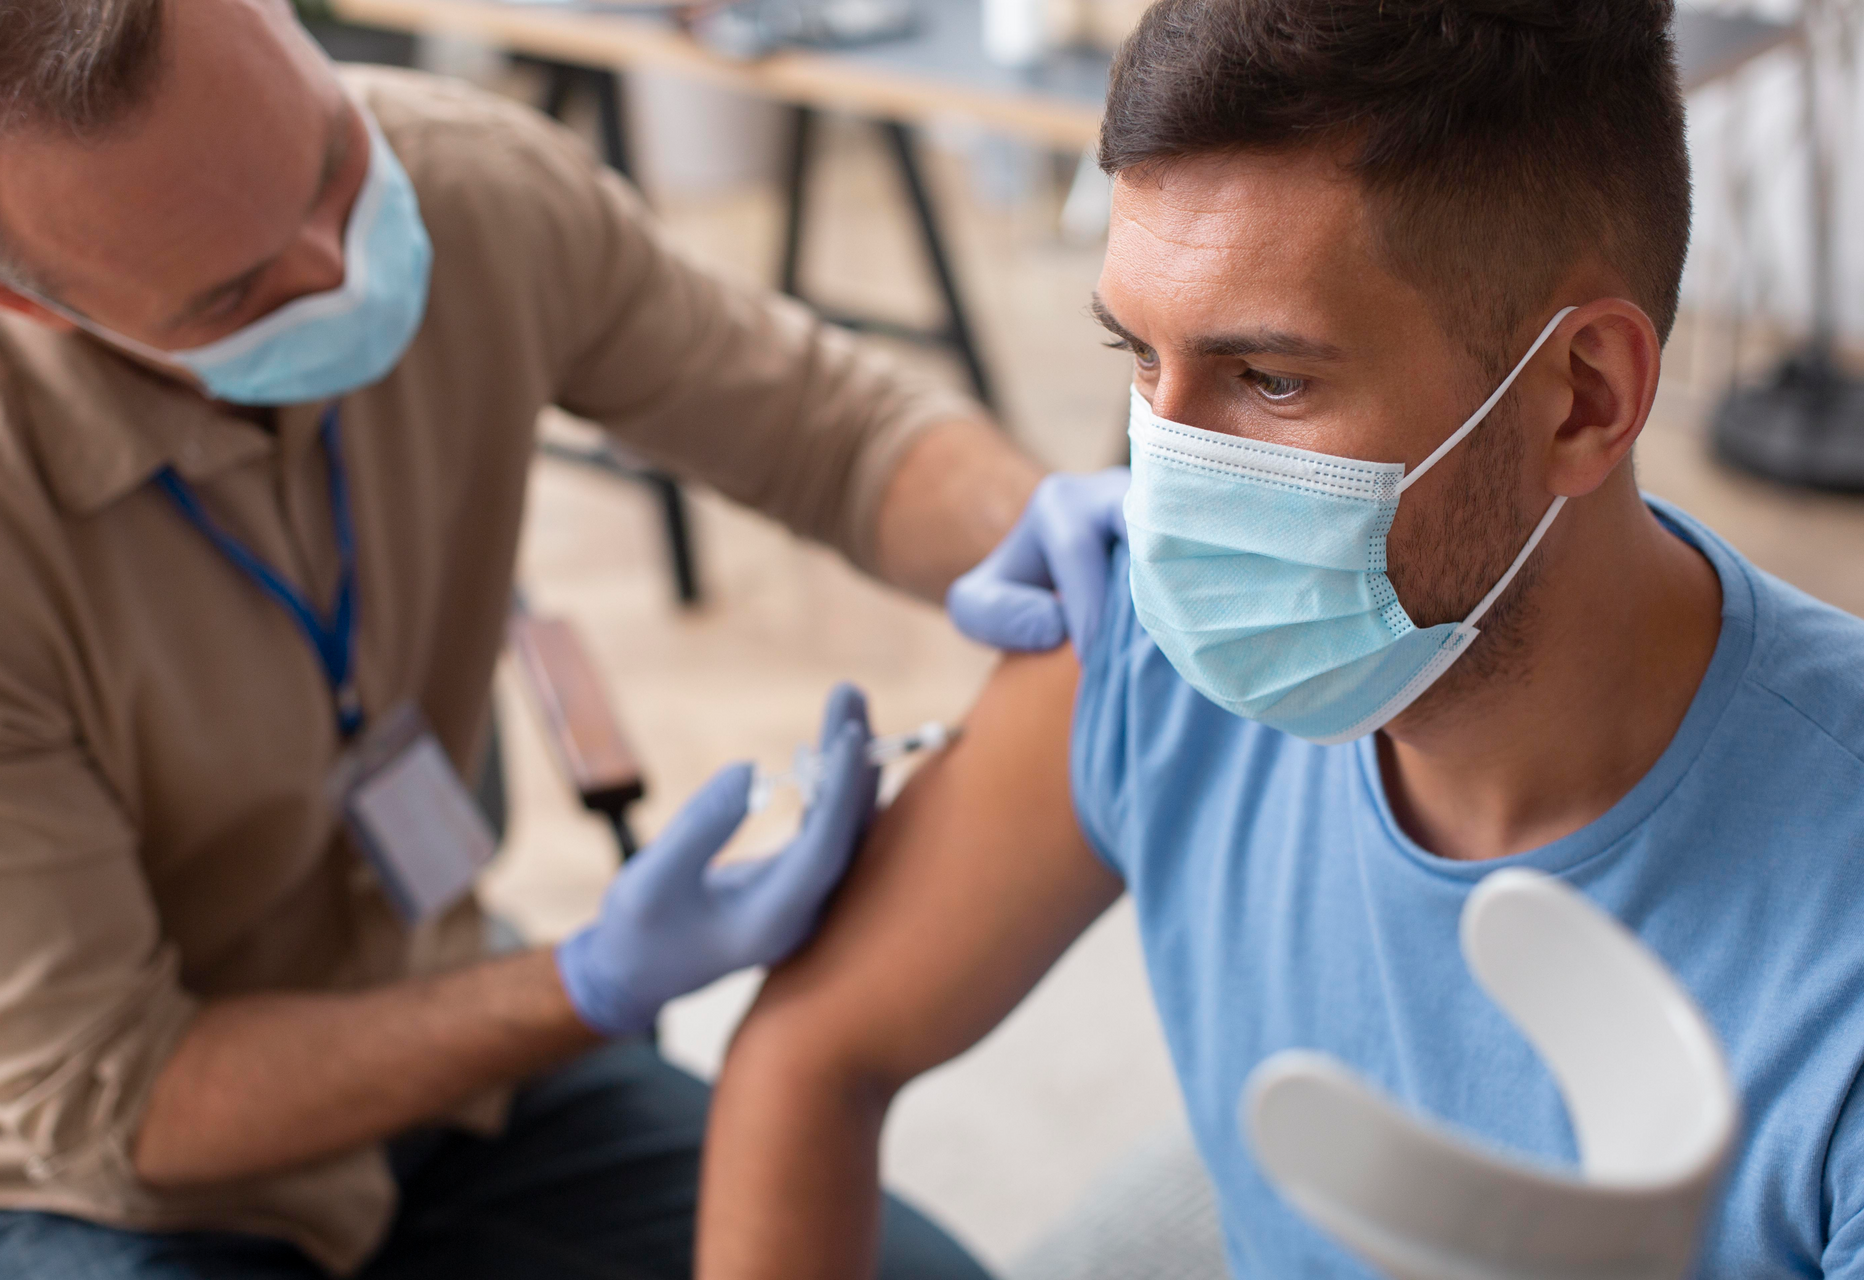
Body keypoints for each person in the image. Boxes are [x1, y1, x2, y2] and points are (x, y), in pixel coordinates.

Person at [0, 0, 1122, 1276]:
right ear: (24, 304)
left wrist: (1055, 536)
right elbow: (119, 1096)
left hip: (444, 1057)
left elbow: (836, 432)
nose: (338, 263)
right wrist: (592, 981)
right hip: (88, 1185)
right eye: (236, 293)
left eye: (331, 165)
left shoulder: (466, 186)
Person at [698, 1, 1864, 1276]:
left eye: (1272, 380)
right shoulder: (1151, 641)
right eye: (1140, 359)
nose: (1167, 492)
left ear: (1582, 397)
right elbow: (813, 1049)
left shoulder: (1829, 951)